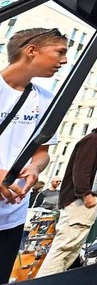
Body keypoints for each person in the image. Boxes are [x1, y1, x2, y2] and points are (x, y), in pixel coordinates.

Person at [0, 28, 67, 284]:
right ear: (31, 50)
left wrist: (36, 169)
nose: (64, 61)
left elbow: (42, 152)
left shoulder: (47, 100)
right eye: (59, 52)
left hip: (11, 215)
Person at [37, 105, 97, 276]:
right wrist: (86, 194)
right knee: (65, 246)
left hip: (83, 200)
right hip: (80, 201)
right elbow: (81, 168)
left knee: (71, 248)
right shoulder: (94, 139)